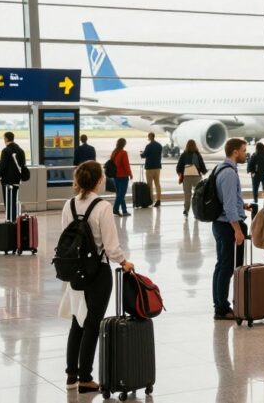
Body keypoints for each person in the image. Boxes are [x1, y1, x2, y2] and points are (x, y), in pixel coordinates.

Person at [59, 160, 134, 393]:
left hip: (75, 270)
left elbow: (66, 239)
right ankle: (86, 378)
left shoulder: (68, 205)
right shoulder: (102, 207)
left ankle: (71, 376)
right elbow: (111, 246)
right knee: (92, 324)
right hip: (98, 271)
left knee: (77, 321)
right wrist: (124, 262)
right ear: (99, 180)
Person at [211, 138, 252, 320]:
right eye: (244, 150)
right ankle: (222, 308)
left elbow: (228, 199)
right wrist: (237, 230)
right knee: (226, 268)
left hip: (221, 224)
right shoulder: (229, 174)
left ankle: (220, 305)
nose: (245, 153)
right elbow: (228, 206)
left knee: (221, 266)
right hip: (226, 226)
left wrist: (242, 205)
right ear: (235, 152)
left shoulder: (221, 168)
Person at [0, 131, 26, 222]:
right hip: (17, 180)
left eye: (4, 138)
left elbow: (2, 165)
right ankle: (15, 219)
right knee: (14, 200)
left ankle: (9, 220)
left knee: (8, 201)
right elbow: (22, 164)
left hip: (7, 181)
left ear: (6, 139)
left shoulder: (6, 151)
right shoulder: (20, 150)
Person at [175, 139, 207, 218]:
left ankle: (186, 210)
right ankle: (197, 212)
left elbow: (179, 167)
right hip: (197, 177)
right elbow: (202, 166)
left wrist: (180, 174)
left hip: (186, 178)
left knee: (187, 195)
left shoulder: (184, 155)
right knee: (197, 195)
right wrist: (204, 171)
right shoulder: (197, 155)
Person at [108, 138, 133, 216]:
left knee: (119, 194)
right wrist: (130, 174)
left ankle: (124, 210)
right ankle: (115, 209)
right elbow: (126, 165)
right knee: (121, 194)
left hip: (115, 176)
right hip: (123, 176)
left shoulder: (114, 152)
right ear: (124, 144)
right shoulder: (123, 153)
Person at [139, 132, 163, 208]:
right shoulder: (159, 145)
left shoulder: (148, 146)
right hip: (157, 167)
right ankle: (158, 200)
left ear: (150, 137)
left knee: (150, 185)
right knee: (157, 184)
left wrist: (141, 153)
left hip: (150, 167)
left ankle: (150, 200)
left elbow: (144, 156)